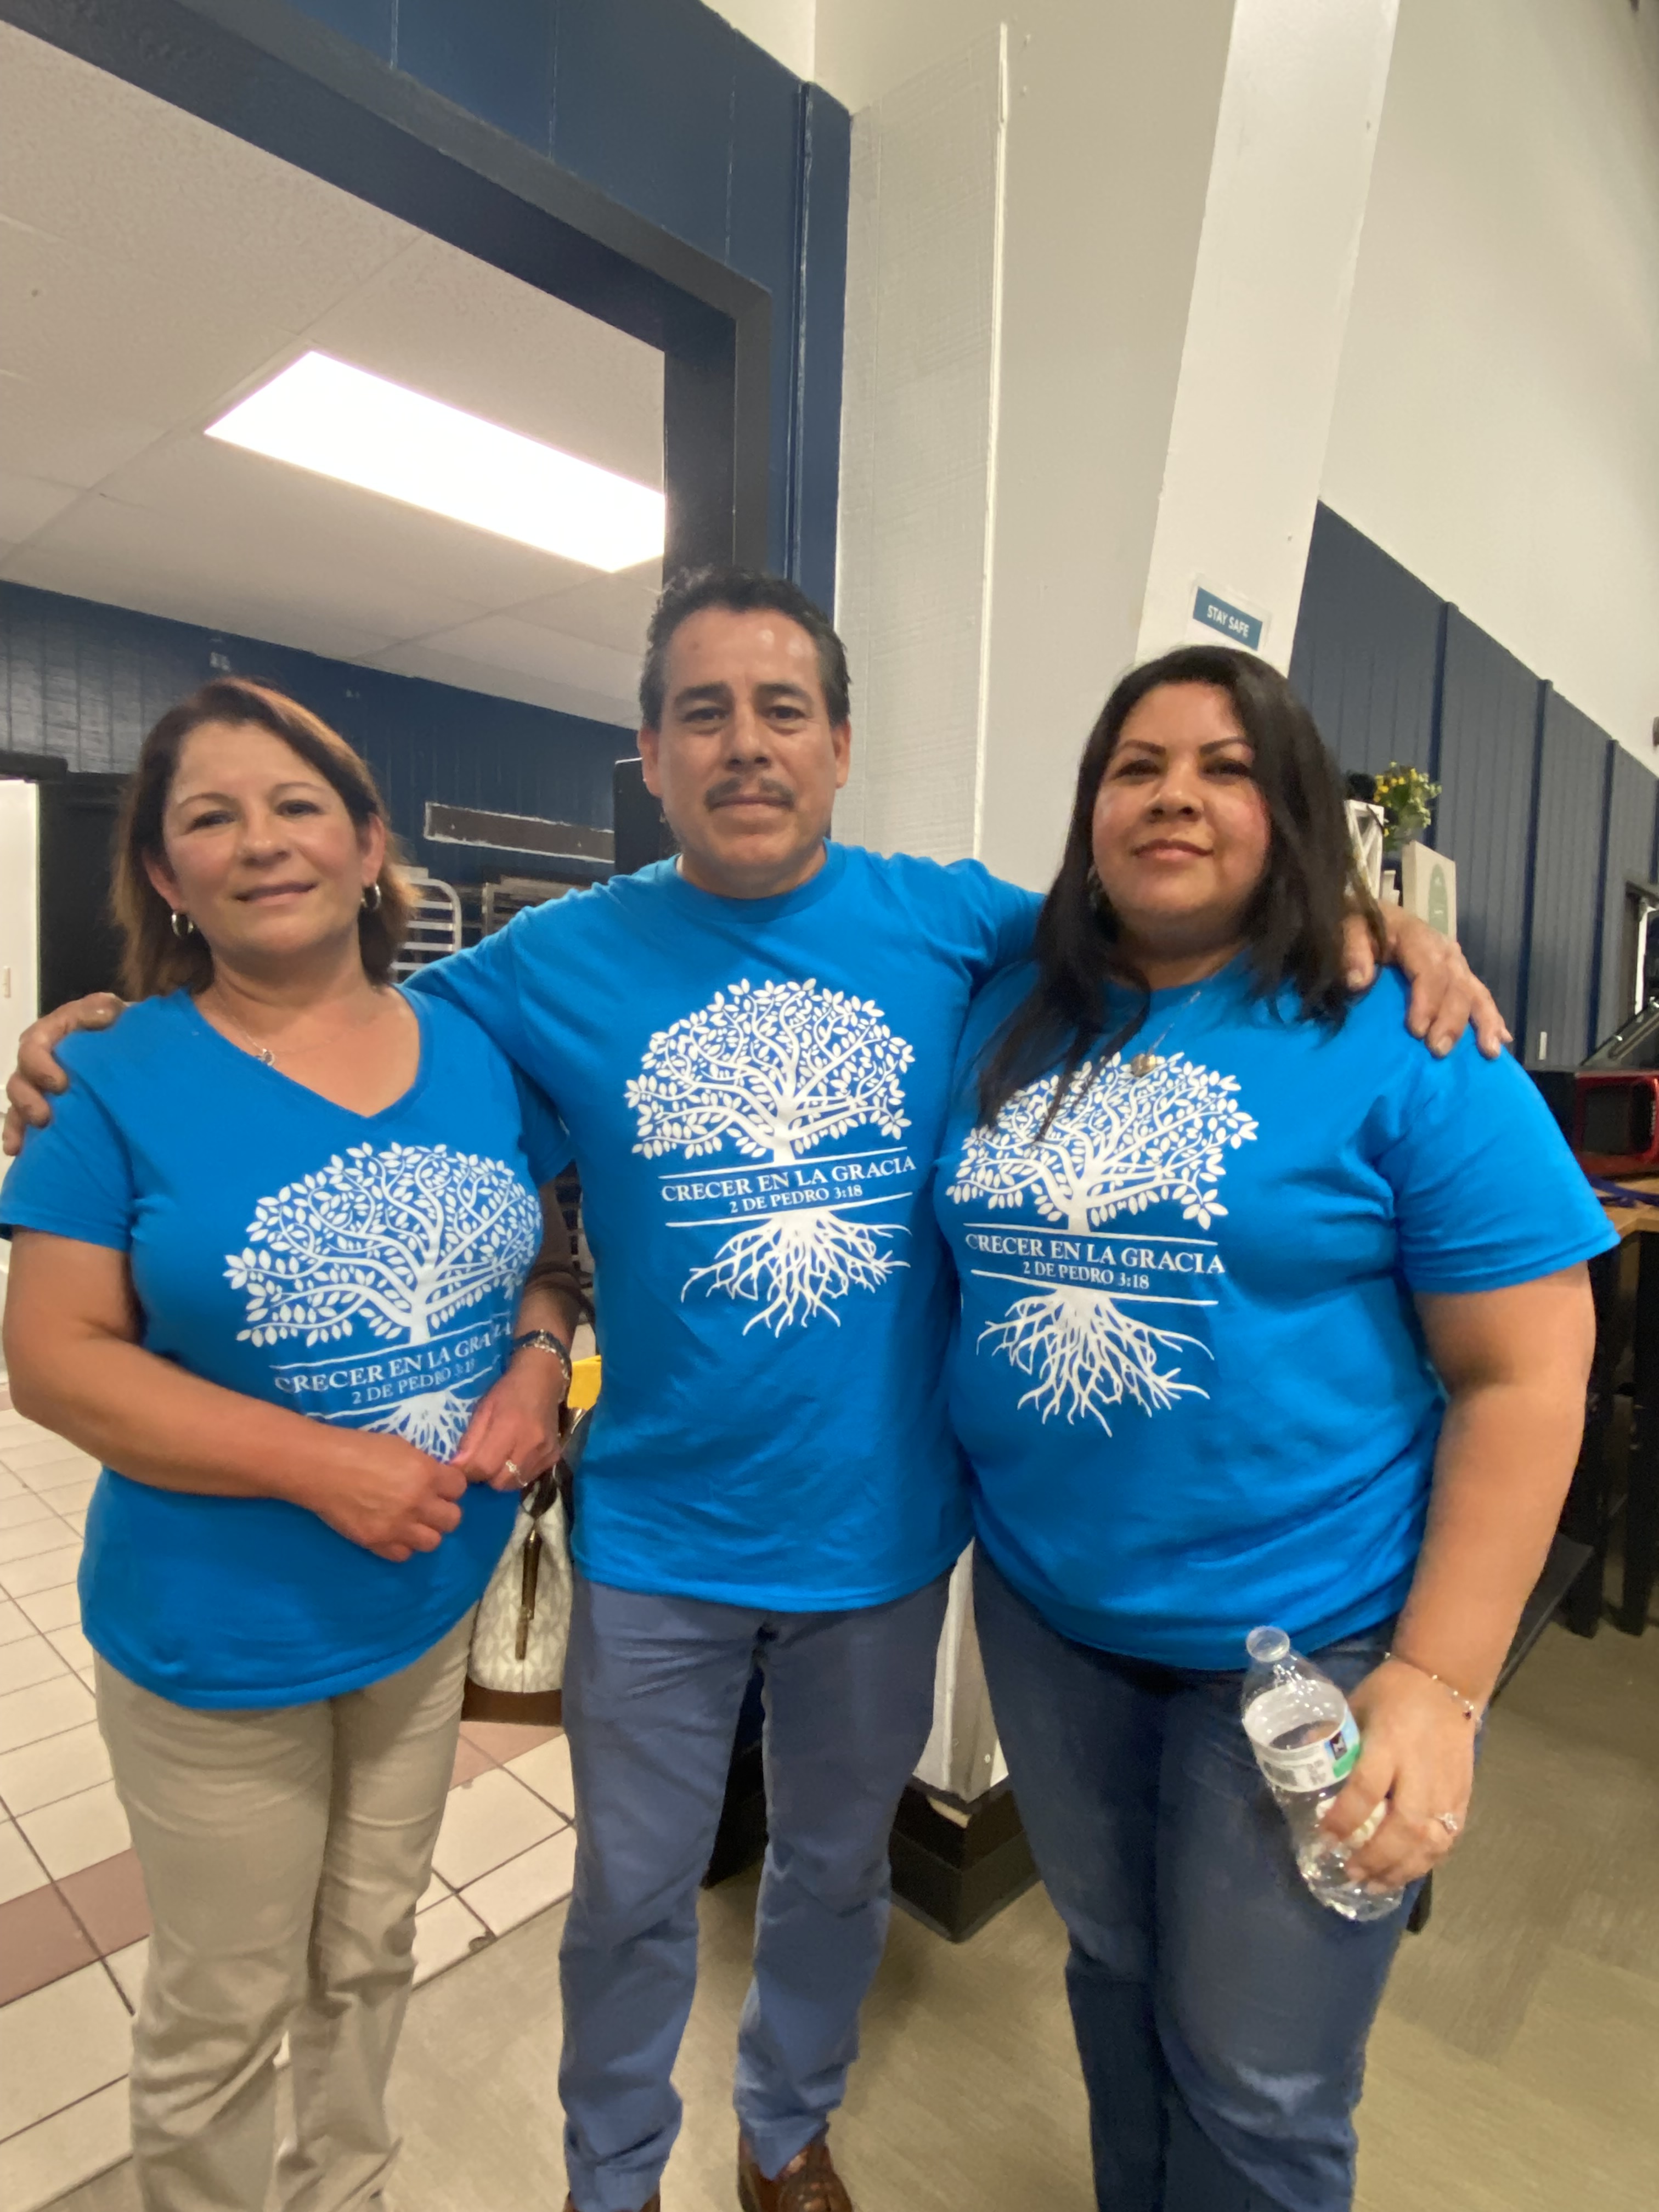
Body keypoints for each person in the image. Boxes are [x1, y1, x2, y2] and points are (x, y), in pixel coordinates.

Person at [3, 577, 1504, 2212]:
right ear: (651, 754)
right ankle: (613, 2174)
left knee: (835, 1876)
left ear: (842, 746)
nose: (745, 745)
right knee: (631, 1895)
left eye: (783, 710)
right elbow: (324, 1029)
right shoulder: (544, 964)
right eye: (701, 713)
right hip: (657, 1537)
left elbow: (1162, 930)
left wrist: (1372, 925)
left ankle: (786, 2130)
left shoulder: (958, 924)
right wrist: (106, 1038)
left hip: (884, 1535)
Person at [932, 645, 1611, 2212]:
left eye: (1227, 769)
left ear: (1292, 809)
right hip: (1049, 1615)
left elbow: (1527, 1375)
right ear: (1092, 811)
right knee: (1112, 1967)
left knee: (1263, 2080)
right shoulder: (1005, 1009)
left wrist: (1440, 1682)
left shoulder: (1403, 1037)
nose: (1175, 796)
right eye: (1138, 767)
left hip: (1310, 1647)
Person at [0, 680, 577, 2212]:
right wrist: (322, 1465)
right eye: (210, 818)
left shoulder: (476, 1047)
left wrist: (538, 1358)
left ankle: (347, 2186)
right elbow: (52, 1361)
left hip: (422, 1604)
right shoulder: (106, 1079)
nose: (261, 841)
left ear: (370, 845)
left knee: (371, 1948)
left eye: (298, 805)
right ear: (165, 876)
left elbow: (538, 1254)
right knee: (224, 2003)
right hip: (219, 1631)